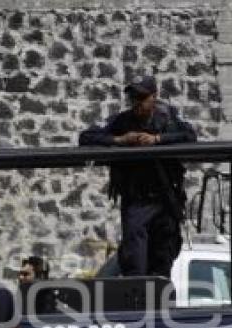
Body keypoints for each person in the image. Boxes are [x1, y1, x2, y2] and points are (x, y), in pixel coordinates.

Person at [78, 74, 197, 278]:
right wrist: (120, 140)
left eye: (142, 98)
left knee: (162, 260)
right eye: (134, 98)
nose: (138, 104)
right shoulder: (122, 120)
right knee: (135, 263)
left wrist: (157, 140)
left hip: (166, 199)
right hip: (137, 200)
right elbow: (86, 137)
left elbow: (190, 136)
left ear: (154, 97)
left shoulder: (168, 117)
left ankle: (160, 303)